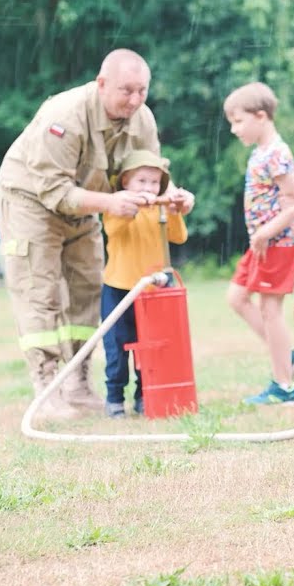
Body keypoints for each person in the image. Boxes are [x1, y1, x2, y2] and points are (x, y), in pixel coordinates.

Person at [0, 49, 195, 420]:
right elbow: (53, 191)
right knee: (39, 291)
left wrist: (175, 198)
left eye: (142, 91)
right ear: (101, 84)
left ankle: (78, 383)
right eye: (126, 91)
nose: (135, 100)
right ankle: (46, 388)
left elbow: (148, 178)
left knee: (88, 289)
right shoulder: (64, 117)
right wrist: (109, 201)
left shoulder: (142, 121)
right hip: (32, 200)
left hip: (91, 202)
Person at [224, 82, 294, 406]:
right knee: (236, 297)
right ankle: (286, 354)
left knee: (270, 311)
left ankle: (285, 387)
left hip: (278, 242)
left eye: (238, 121)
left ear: (261, 116)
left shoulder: (277, 153)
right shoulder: (262, 152)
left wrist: (264, 233)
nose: (234, 129)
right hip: (262, 244)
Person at [100, 150, 187, 418]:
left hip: (152, 291)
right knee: (117, 348)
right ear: (125, 182)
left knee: (150, 348)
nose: (149, 188)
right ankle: (115, 397)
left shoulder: (160, 210)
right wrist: (133, 207)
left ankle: (145, 395)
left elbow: (180, 236)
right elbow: (113, 231)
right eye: (142, 181)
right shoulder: (116, 209)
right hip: (119, 287)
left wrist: (173, 210)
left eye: (154, 182)